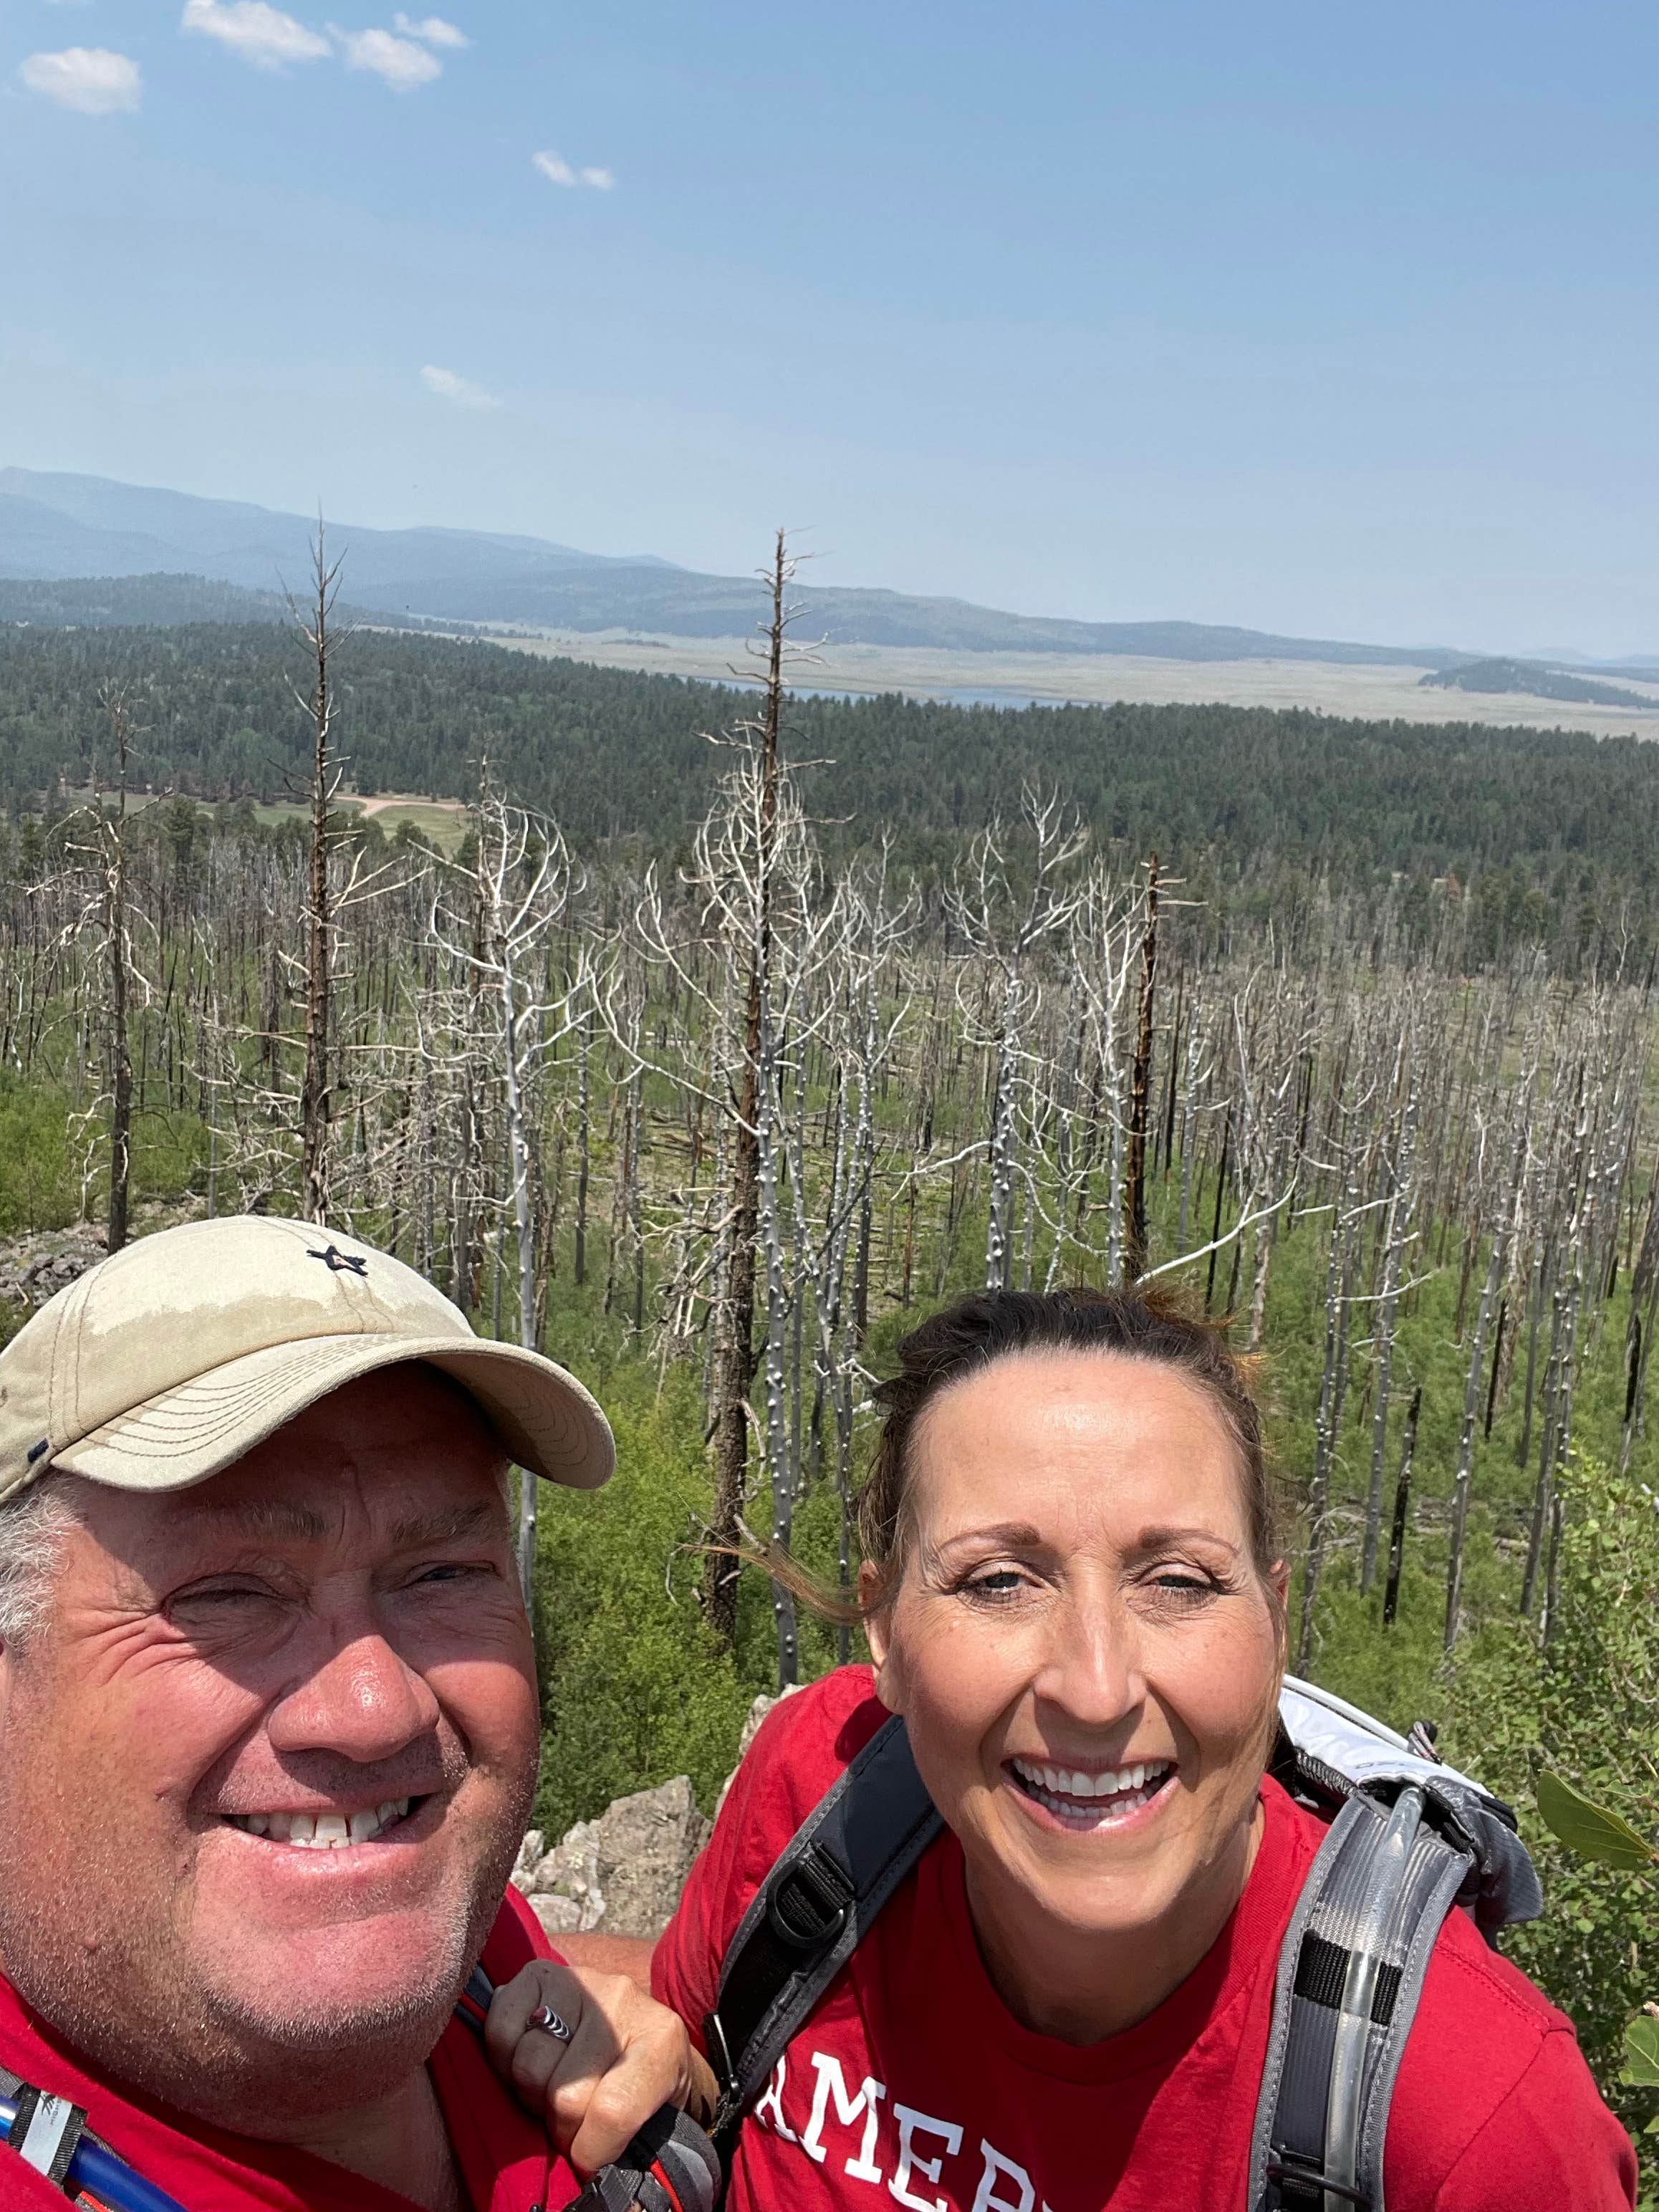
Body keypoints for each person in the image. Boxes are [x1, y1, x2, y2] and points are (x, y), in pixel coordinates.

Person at [638, 1285, 1637, 2211]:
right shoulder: (822, 1803)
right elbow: (679, 2059)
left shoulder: (1478, 2124)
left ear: (1277, 1624)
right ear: (885, 1635)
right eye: (998, 1581)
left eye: (1179, 1582)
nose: (1098, 1687)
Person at [0, 1215, 711, 2212]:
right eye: (228, 1594)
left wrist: (670, 2053)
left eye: (442, 1572)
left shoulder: (448, 1938)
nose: (378, 1712)